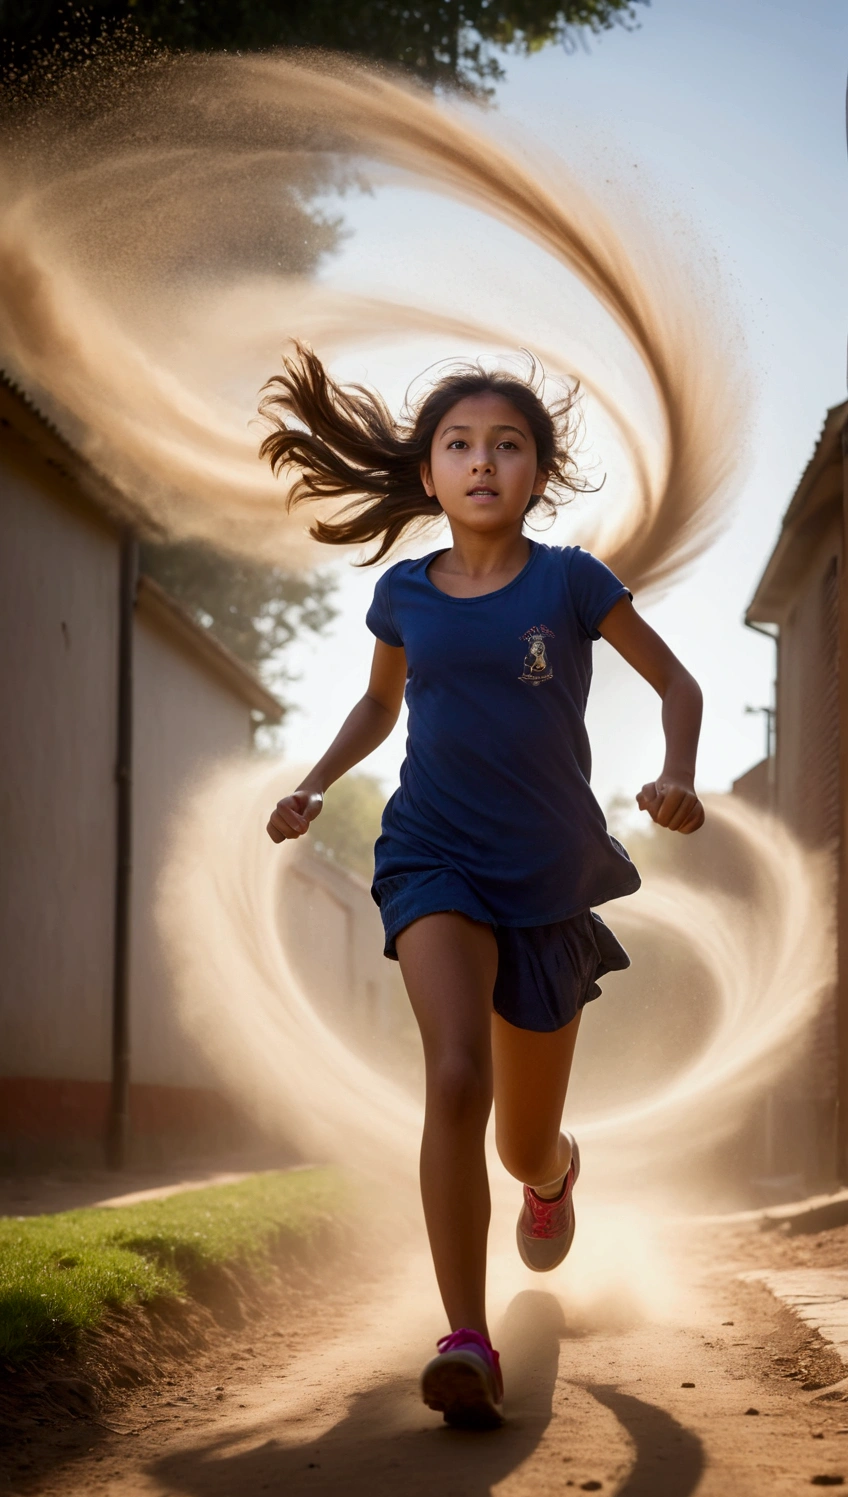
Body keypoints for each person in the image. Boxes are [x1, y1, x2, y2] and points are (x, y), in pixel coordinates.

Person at [261, 345, 705, 1429]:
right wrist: (316, 782)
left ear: (536, 477)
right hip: (430, 857)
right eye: (458, 445)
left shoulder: (571, 581)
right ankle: (465, 1337)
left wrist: (676, 775)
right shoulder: (402, 594)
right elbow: (377, 709)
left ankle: (551, 1177)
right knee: (456, 1079)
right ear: (428, 476)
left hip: (548, 875)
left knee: (519, 1138)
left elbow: (677, 681)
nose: (481, 463)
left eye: (506, 446)